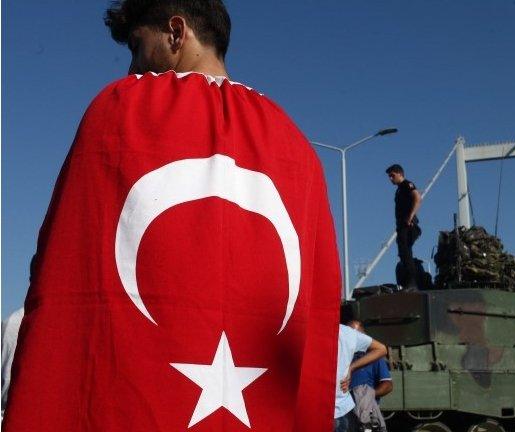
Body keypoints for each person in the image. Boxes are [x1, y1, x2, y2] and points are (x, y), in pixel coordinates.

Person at [3, 1, 341, 430]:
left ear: (176, 33)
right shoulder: (297, 146)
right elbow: (320, 302)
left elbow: (61, 267)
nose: (132, 68)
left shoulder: (120, 110)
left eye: (137, 48)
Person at [336, 323, 388, 432]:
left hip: (359, 411)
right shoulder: (347, 353)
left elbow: (387, 385)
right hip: (345, 408)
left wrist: (367, 394)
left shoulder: (372, 359)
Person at [347, 320, 392, 431]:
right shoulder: (342, 355)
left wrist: (368, 395)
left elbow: (388, 385)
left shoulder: (374, 357)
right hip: (343, 412)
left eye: (357, 334)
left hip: (365, 413)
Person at [386, 164, 422, 291]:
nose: (390, 178)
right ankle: (409, 282)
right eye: (389, 176)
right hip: (401, 226)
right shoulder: (399, 189)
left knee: (406, 253)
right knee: (404, 254)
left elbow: (417, 197)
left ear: (400, 174)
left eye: (392, 175)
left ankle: (412, 283)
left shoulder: (407, 184)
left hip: (407, 225)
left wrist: (410, 216)